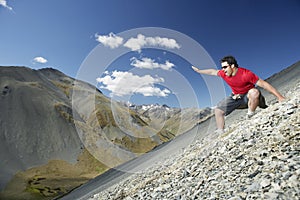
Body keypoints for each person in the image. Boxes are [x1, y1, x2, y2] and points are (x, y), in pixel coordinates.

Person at [192, 55, 285, 134]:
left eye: (225, 67)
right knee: (218, 110)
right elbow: (212, 71)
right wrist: (199, 71)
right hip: (237, 97)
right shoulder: (224, 74)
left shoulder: (246, 74)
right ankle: (221, 131)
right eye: (222, 67)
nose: (223, 70)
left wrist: (280, 97)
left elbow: (264, 84)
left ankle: (251, 114)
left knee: (254, 92)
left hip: (250, 98)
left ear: (232, 66)